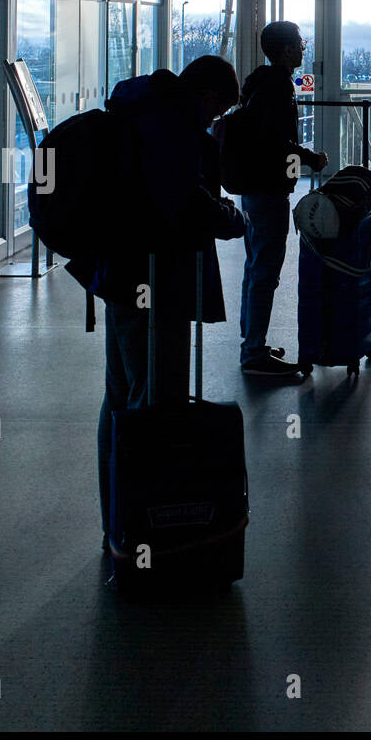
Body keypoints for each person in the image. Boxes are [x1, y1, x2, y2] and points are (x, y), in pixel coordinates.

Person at [96, 55, 247, 545]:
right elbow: (181, 202)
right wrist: (229, 219)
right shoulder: (173, 124)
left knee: (122, 395)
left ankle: (119, 520)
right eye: (218, 110)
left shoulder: (140, 111)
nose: (215, 120)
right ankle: (144, 527)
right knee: (154, 399)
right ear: (206, 97)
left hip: (123, 274)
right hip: (158, 281)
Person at [235, 21, 328, 376]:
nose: (304, 48)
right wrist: (310, 158)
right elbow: (275, 142)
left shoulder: (258, 82)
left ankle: (252, 343)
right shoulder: (277, 86)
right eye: (300, 43)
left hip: (255, 188)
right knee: (265, 271)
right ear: (287, 49)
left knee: (255, 266)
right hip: (268, 188)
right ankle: (253, 353)